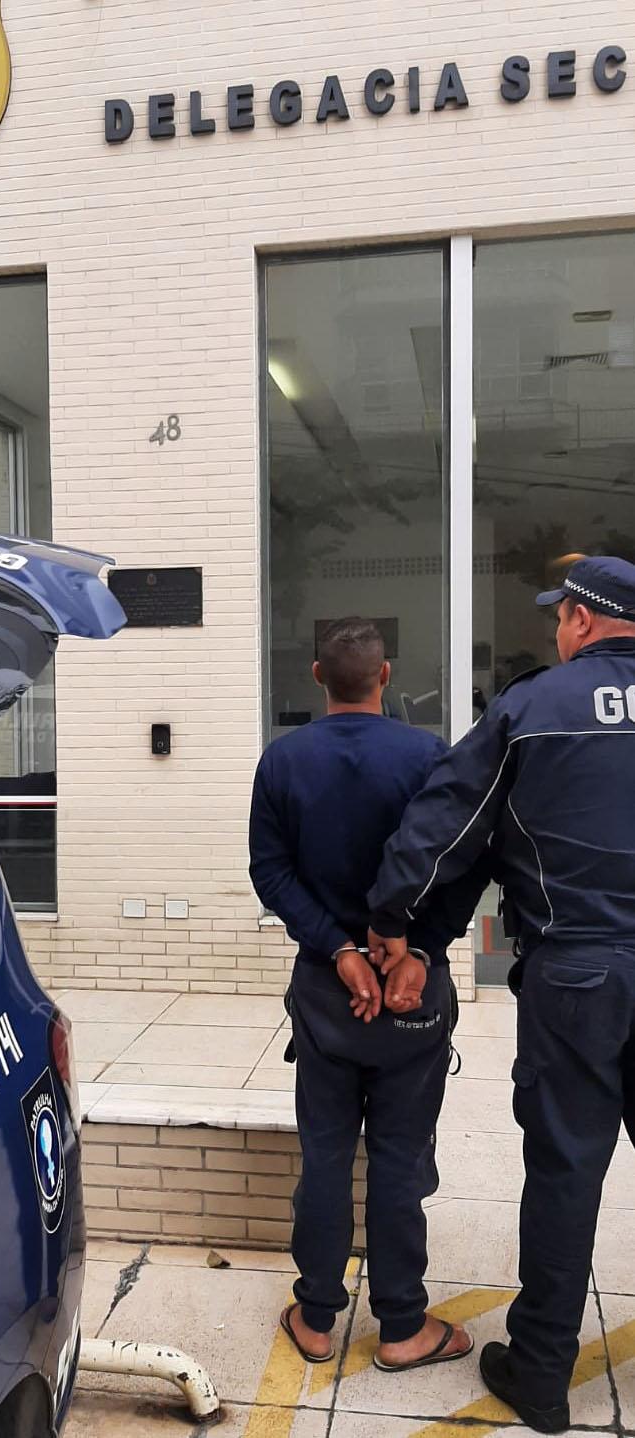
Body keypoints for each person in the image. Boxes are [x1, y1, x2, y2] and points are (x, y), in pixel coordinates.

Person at [366, 556, 635, 1433]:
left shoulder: (534, 708)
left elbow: (446, 821)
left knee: (566, 1173)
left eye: (561, 615)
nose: (556, 629)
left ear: (584, 620)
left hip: (578, 976)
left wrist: (396, 918)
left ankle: (543, 1373)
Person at [249, 618, 483, 1373]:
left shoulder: (283, 760)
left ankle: (316, 1316)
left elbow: (270, 871)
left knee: (324, 1156)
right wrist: (419, 949)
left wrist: (339, 949)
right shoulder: (429, 756)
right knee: (398, 1161)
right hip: (412, 995)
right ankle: (402, 1325)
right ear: (385, 677)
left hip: (328, 995)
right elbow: (463, 863)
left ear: (319, 676)